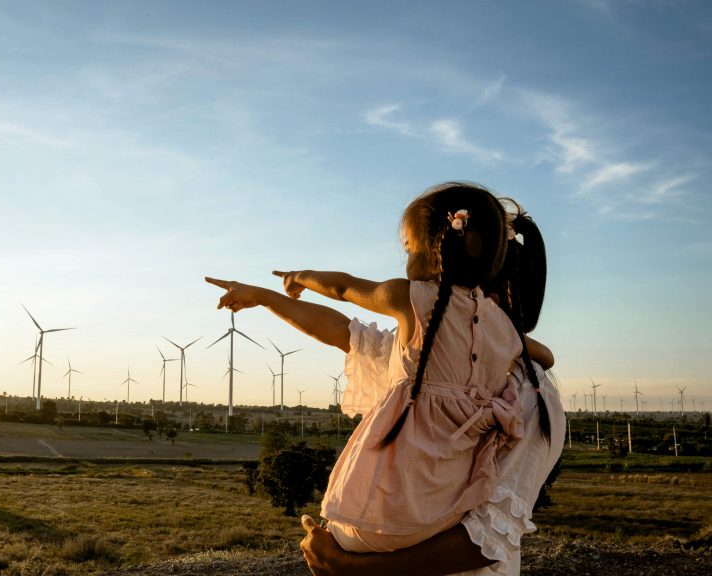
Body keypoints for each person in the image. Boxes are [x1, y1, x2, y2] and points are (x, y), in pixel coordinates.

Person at [207, 182, 555, 554]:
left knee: (335, 534)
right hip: (441, 514)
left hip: (380, 516)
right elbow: (545, 356)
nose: (405, 258)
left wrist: (299, 277)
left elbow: (342, 287)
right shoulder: (505, 333)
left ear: (434, 250)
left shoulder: (411, 299)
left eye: (408, 247)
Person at [298, 199, 564, 576]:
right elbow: (349, 334)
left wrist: (348, 565)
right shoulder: (432, 354)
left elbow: (486, 540)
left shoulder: (533, 397)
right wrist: (266, 297)